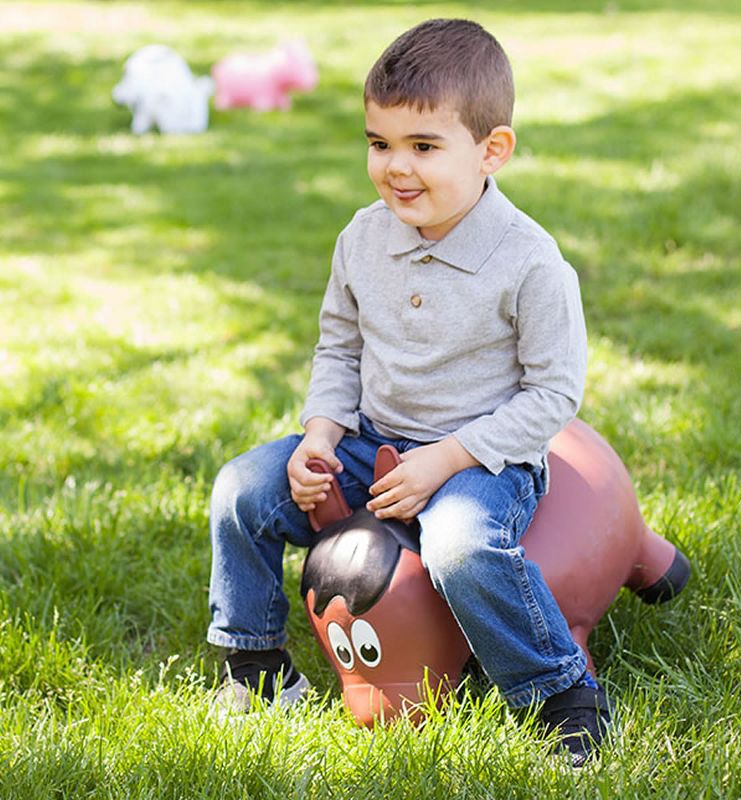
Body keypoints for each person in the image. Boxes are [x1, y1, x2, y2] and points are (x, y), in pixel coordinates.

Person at [207, 18, 609, 765]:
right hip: (370, 442)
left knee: (459, 546)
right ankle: (256, 663)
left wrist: (448, 458)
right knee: (241, 491)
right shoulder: (363, 239)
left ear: (492, 150)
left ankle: (558, 692)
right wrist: (321, 436)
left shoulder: (530, 263)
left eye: (423, 147)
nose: (396, 167)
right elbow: (340, 348)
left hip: (481, 460)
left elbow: (553, 396)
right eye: (379, 143)